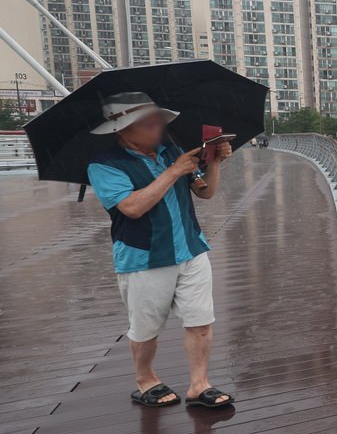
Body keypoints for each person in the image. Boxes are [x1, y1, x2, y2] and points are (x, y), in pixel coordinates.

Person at [86, 91, 235, 409]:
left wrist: (216, 162)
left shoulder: (172, 152)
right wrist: (173, 171)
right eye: (148, 122)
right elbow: (132, 207)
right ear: (123, 130)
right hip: (144, 257)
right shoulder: (104, 166)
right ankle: (145, 380)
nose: (157, 127)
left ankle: (199, 384)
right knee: (146, 327)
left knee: (201, 320)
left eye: (157, 121)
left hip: (191, 248)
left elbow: (204, 192)